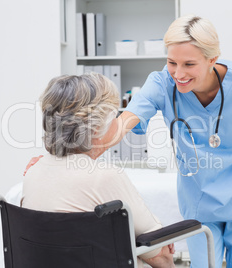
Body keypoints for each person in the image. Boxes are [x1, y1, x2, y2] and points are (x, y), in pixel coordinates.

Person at [25, 14, 232, 268]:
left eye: (189, 65)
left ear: (212, 59)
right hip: (200, 194)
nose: (178, 74)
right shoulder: (161, 83)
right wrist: (61, 160)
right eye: (172, 62)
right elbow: (123, 124)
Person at [21, 73, 175, 268]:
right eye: (113, 115)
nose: (118, 121)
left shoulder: (33, 171)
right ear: (96, 128)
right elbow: (158, 251)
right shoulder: (105, 177)